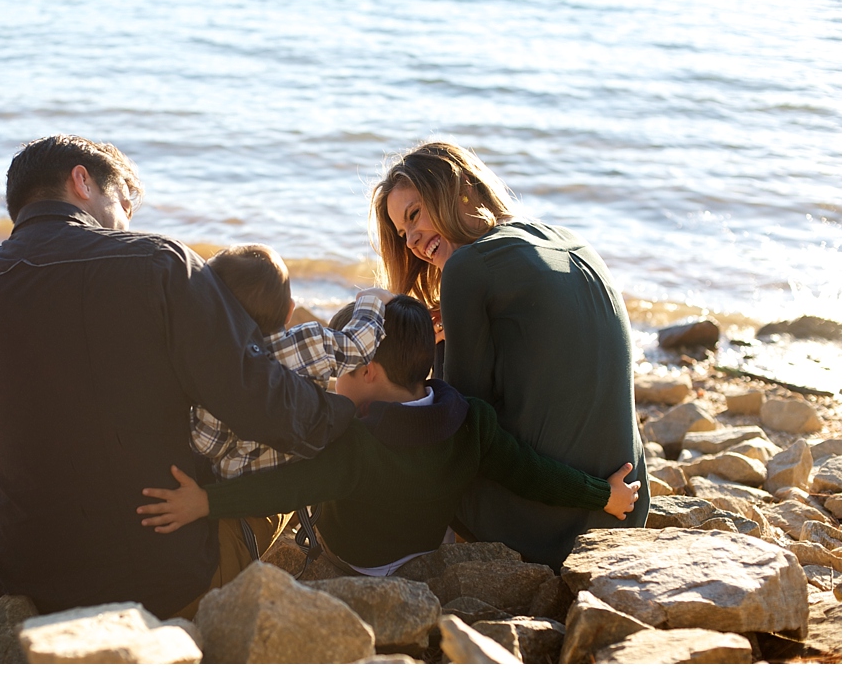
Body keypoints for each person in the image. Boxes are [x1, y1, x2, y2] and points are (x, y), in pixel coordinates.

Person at [0, 135, 356, 618]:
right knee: (294, 440)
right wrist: (346, 410)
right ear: (83, 180)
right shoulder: (160, 262)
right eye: (123, 204)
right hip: (163, 582)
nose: (125, 223)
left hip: (21, 574)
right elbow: (261, 402)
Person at [137, 296, 640, 577]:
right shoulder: (473, 421)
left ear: (369, 370)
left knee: (300, 469)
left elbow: (288, 489)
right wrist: (604, 494)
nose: (336, 379)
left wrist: (205, 502)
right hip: (422, 549)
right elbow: (533, 473)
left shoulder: (355, 442)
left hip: (356, 558)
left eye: (342, 367)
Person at [369, 140, 649, 569]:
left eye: (414, 215)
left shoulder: (465, 270)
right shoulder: (568, 240)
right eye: (403, 234)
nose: (412, 241)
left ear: (459, 188)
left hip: (548, 528)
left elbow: (461, 429)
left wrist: (437, 348)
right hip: (627, 509)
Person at [192, 244, 391, 481]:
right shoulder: (308, 343)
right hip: (299, 470)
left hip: (241, 486)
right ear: (290, 311)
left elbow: (208, 445)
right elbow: (359, 346)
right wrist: (371, 301)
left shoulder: (219, 370)